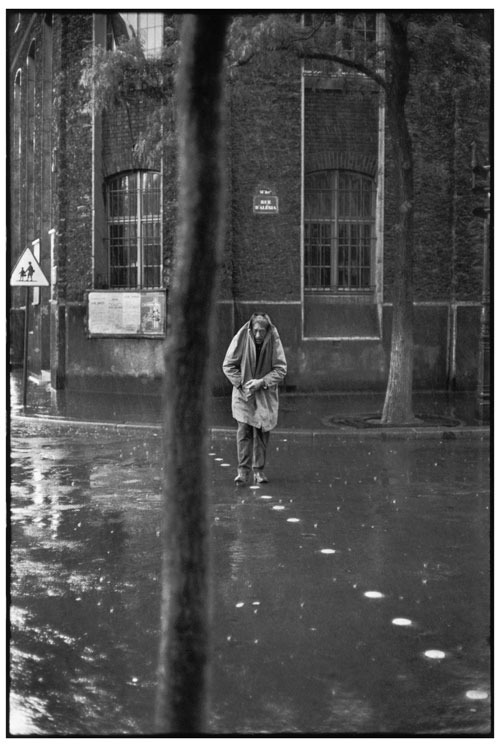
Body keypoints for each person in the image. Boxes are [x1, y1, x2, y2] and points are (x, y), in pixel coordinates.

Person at [222, 312, 287, 486]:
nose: (258, 335)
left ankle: (259, 471)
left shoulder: (274, 339)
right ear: (251, 329)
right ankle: (243, 472)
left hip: (265, 394)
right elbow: (228, 365)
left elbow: (281, 369)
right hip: (244, 394)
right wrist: (242, 384)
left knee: (262, 432)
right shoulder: (242, 337)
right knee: (244, 431)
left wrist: (263, 382)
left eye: (262, 332)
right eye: (256, 331)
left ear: (267, 331)